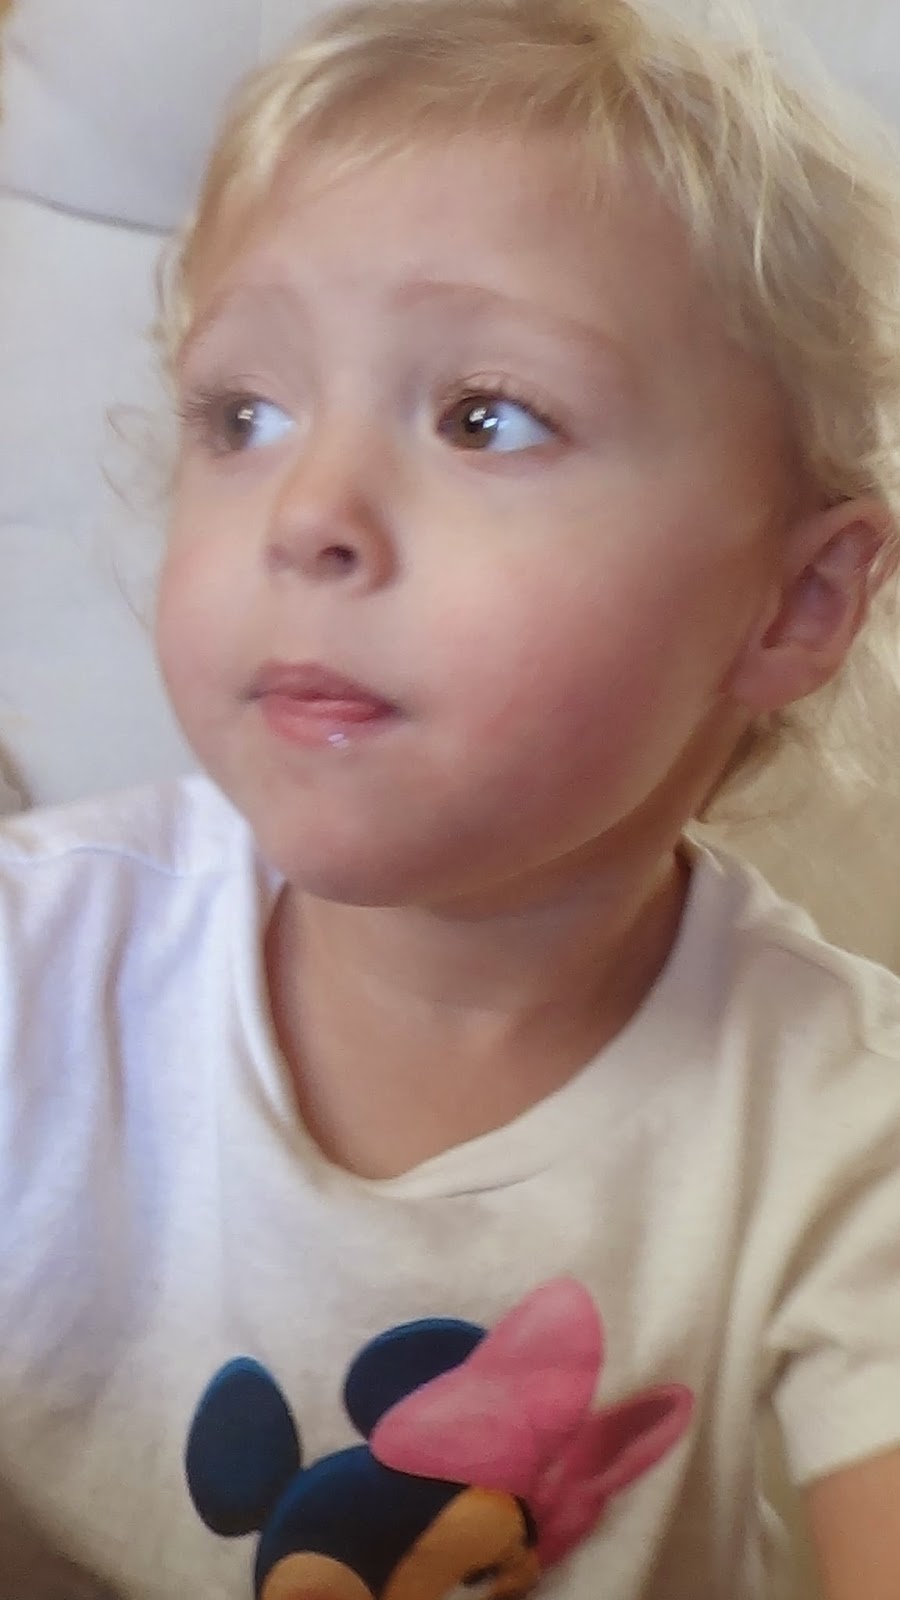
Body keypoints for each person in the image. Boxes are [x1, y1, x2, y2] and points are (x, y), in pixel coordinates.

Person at [2, 0, 900, 1595]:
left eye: (487, 416)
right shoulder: (39, 962)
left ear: (795, 602)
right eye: (243, 415)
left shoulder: (842, 1122)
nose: (308, 511)